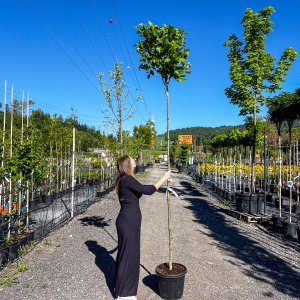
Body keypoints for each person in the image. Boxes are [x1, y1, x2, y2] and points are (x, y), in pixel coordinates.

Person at [114, 155, 171, 300]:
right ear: (128, 164)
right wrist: (165, 177)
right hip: (129, 222)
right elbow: (149, 190)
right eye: (132, 159)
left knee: (125, 255)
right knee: (130, 257)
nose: (134, 161)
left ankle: (121, 289)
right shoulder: (127, 179)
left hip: (126, 221)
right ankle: (125, 294)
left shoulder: (124, 180)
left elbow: (137, 191)